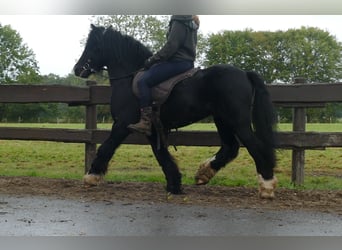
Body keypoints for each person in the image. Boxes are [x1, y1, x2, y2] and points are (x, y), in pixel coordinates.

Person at [128, 15, 200, 136]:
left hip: (177, 62)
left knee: (143, 81)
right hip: (187, 62)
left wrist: (152, 60)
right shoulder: (190, 21)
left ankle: (145, 122)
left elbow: (171, 46)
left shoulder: (179, 20)